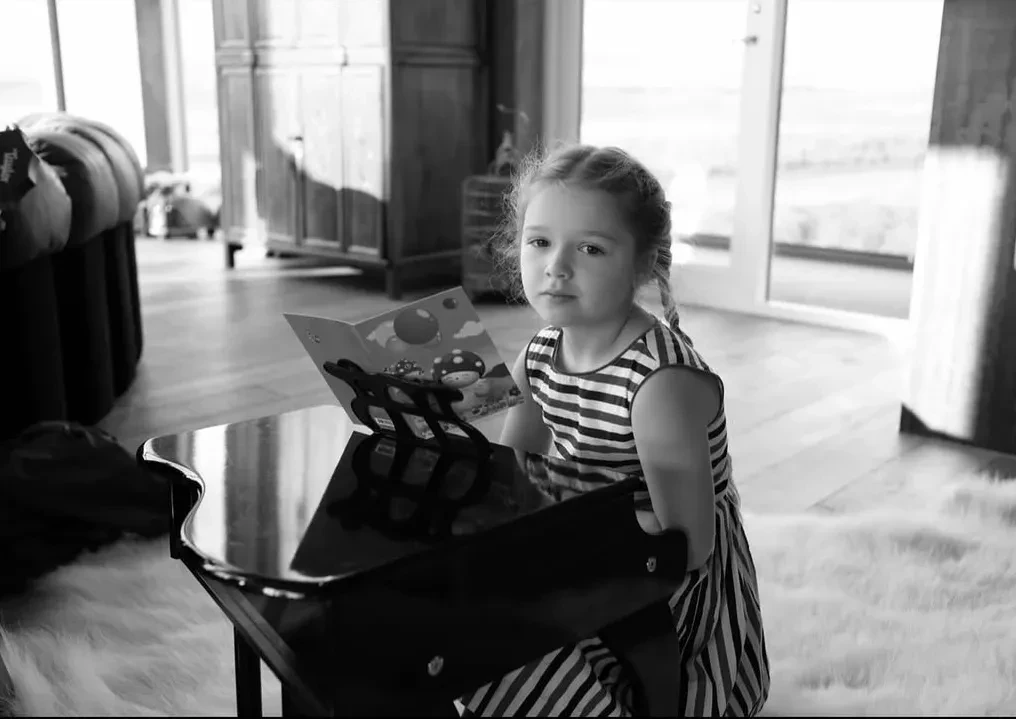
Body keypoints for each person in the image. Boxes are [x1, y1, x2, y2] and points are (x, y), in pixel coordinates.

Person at [455, 144, 771, 717]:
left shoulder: (658, 383)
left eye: (591, 248)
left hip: (657, 574)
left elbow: (687, 545)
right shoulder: (541, 352)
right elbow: (511, 472)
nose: (556, 267)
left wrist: (564, 546)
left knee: (501, 640)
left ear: (642, 266)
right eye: (539, 242)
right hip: (578, 538)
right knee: (436, 606)